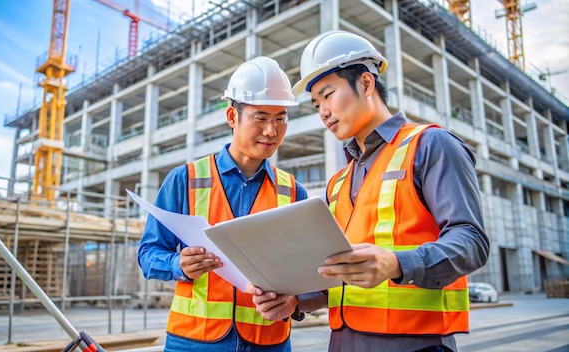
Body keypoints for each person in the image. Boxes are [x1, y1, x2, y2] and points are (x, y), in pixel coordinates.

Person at [248, 30, 490, 352]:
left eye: (328, 94)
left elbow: (472, 242)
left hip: (417, 344)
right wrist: (295, 301)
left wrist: (397, 263)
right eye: (316, 103)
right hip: (343, 341)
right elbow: (340, 275)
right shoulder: (339, 181)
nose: (323, 111)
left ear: (365, 83)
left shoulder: (430, 145)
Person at [137, 56, 308, 352]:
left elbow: (308, 269)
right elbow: (148, 255)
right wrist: (179, 264)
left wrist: (295, 301)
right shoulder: (184, 180)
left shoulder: (293, 191)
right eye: (261, 117)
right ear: (232, 116)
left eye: (280, 118)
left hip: (269, 342)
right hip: (193, 341)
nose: (272, 131)